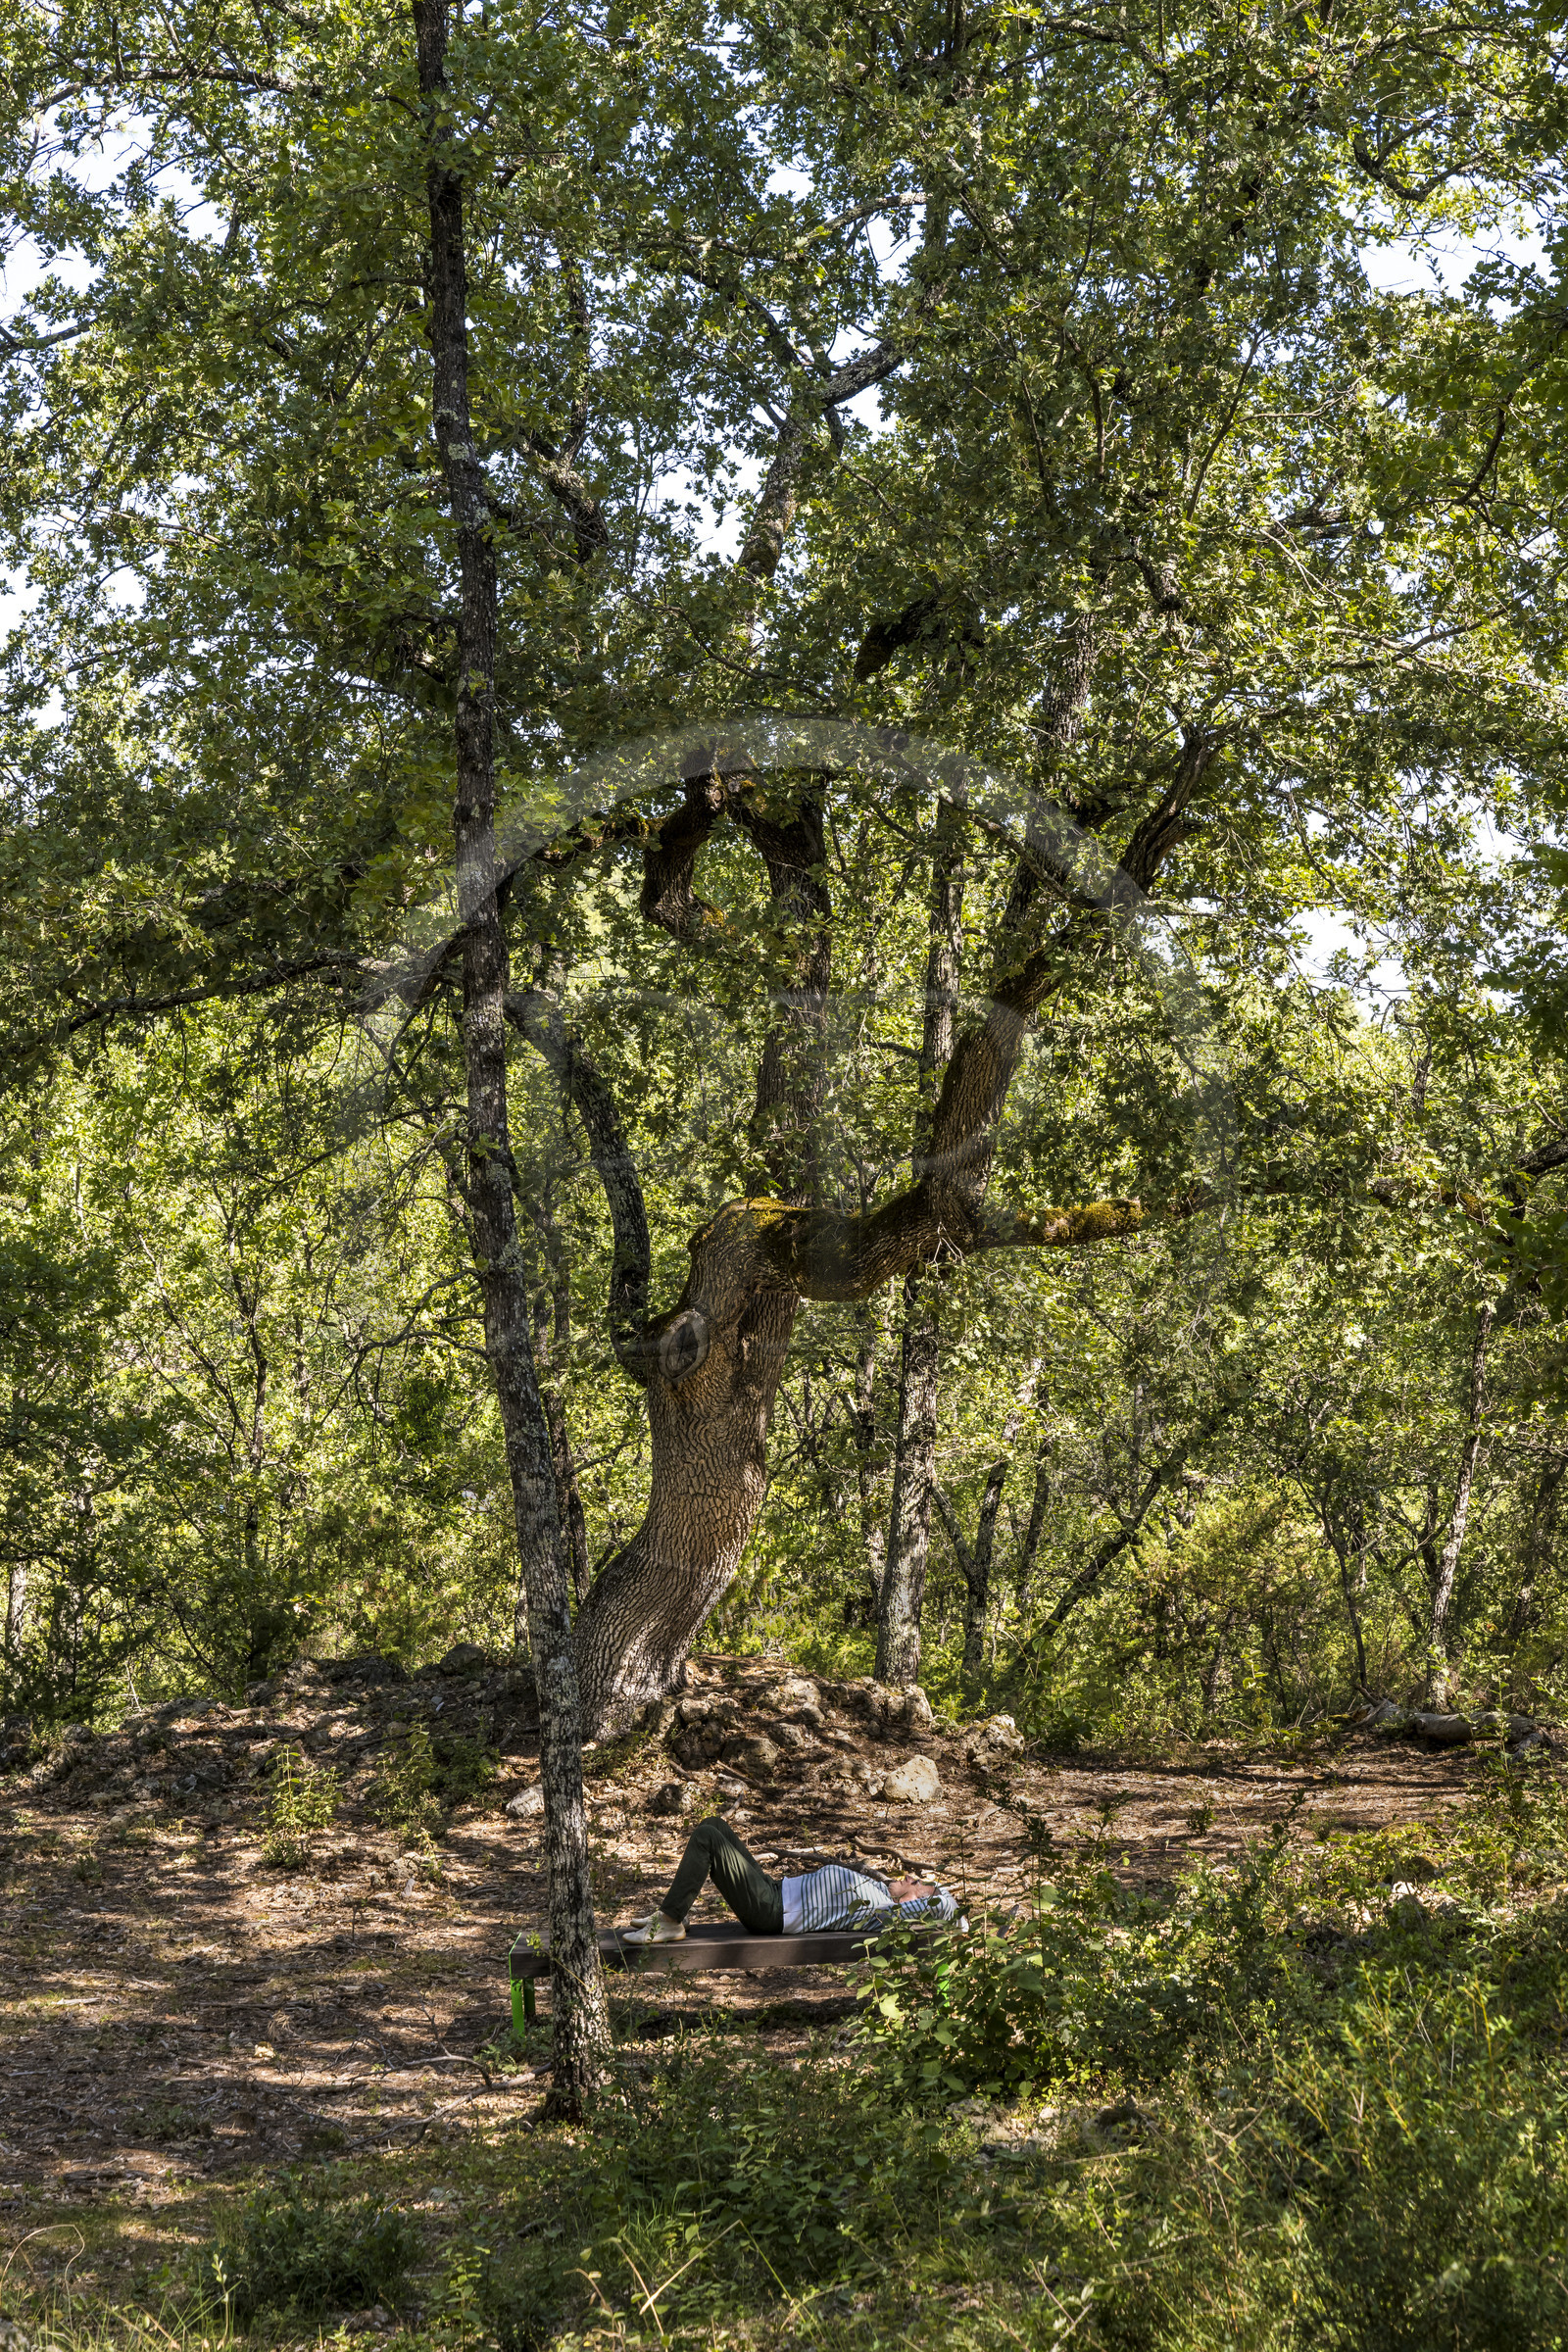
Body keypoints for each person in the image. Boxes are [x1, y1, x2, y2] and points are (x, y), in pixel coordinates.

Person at [621, 1815, 959, 1943]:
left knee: (707, 1838)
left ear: (915, 1901)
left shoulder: (883, 1913)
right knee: (715, 1824)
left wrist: (954, 1913)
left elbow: (944, 1908)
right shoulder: (880, 1894)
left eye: (918, 1883)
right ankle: (673, 1911)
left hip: (772, 1911)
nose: (910, 1876)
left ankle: (670, 1921)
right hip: (775, 1890)